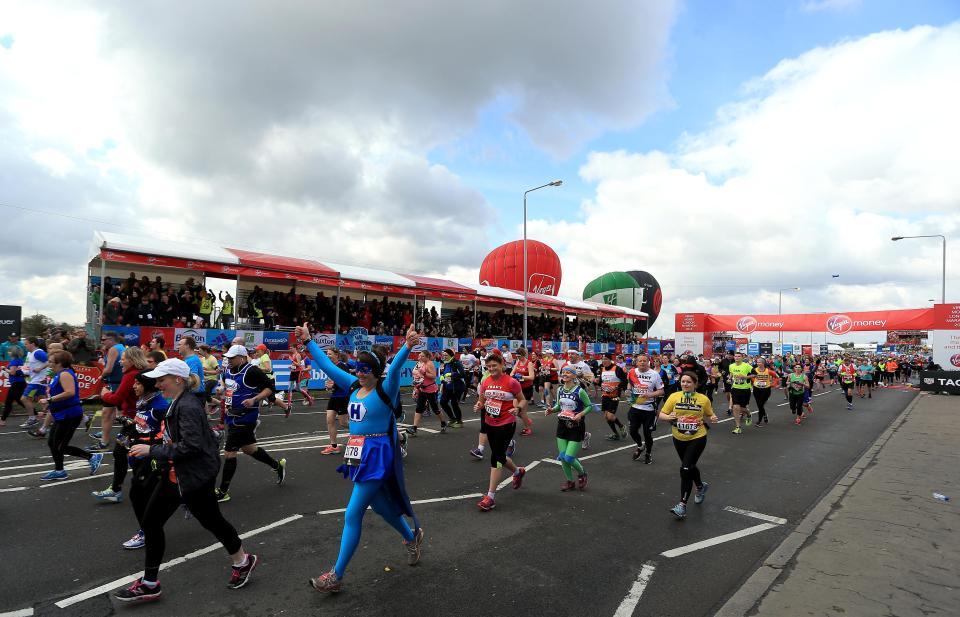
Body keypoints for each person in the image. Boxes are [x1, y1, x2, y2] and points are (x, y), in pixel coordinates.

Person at [117, 359, 257, 602]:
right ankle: (150, 583)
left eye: (162, 380)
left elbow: (190, 447)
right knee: (151, 523)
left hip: (193, 478)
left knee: (213, 522)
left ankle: (243, 561)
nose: (158, 384)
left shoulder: (188, 406)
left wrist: (151, 451)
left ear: (178, 380)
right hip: (178, 475)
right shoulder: (178, 403)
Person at [297, 323, 423, 593]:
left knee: (353, 513)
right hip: (357, 452)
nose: (361, 373)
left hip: (376, 455)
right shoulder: (353, 386)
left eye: (366, 370)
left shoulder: (384, 390)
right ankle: (411, 537)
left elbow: (397, 367)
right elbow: (329, 367)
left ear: (376, 372)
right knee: (379, 508)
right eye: (358, 368)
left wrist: (407, 347)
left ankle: (336, 576)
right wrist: (308, 342)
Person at [215, 345, 287, 503]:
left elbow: (270, 388)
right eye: (227, 357)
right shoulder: (228, 371)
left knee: (229, 453)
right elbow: (229, 390)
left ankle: (223, 491)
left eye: (232, 358)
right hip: (231, 416)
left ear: (241, 357)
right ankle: (277, 465)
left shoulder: (252, 371)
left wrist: (254, 399)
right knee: (249, 449)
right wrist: (222, 394)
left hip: (246, 418)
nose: (228, 360)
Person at [118, 372, 170, 550]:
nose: (134, 386)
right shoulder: (143, 402)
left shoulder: (161, 406)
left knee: (138, 494)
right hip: (138, 456)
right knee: (144, 495)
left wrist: (148, 445)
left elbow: (166, 435)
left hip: (153, 458)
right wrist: (127, 433)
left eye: (138, 383)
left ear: (148, 386)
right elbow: (141, 425)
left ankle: (146, 532)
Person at [91, 347, 149, 501]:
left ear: (132, 360)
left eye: (123, 358)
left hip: (135, 422)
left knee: (133, 454)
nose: (120, 361)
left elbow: (116, 399)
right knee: (123, 452)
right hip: (136, 421)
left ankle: (134, 488)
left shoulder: (131, 375)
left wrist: (105, 394)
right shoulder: (139, 372)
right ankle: (119, 488)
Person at [37, 350, 104, 481]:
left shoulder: (65, 374)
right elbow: (56, 394)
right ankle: (60, 470)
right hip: (61, 414)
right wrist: (47, 405)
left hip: (70, 415)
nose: (49, 364)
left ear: (60, 363)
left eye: (51, 361)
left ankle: (91, 457)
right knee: (52, 443)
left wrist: (49, 400)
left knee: (60, 445)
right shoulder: (59, 374)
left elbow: (70, 392)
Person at [659, 373, 718, 519]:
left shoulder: (703, 399)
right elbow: (661, 414)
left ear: (695, 384)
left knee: (685, 468)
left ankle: (682, 505)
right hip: (678, 437)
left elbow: (710, 414)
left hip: (697, 436)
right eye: (683, 381)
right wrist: (669, 417)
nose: (685, 384)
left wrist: (713, 417)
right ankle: (700, 486)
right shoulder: (674, 396)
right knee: (690, 466)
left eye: (688, 382)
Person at [473, 352, 527, 511]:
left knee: (495, 457)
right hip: (490, 422)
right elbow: (482, 401)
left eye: (494, 366)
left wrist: (517, 408)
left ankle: (490, 497)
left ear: (502, 365)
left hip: (506, 422)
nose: (491, 369)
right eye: (488, 366)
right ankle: (518, 471)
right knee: (501, 456)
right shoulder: (485, 382)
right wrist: (479, 406)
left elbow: (523, 400)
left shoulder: (511, 382)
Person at [546, 366, 594, 491]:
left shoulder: (579, 391)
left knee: (569, 457)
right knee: (562, 456)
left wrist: (580, 415)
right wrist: (552, 410)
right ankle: (569, 481)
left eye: (568, 372)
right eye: (563, 372)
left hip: (576, 427)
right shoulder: (560, 390)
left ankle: (582, 473)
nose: (565, 374)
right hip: (562, 425)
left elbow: (589, 406)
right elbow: (558, 406)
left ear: (574, 376)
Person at [626, 354, 665, 464]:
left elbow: (661, 391)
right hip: (635, 407)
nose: (642, 363)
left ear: (648, 362)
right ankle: (640, 446)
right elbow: (630, 384)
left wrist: (650, 394)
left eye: (644, 361)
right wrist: (628, 391)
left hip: (649, 409)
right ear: (636, 362)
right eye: (640, 361)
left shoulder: (654, 374)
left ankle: (648, 452)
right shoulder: (632, 372)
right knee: (633, 431)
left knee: (647, 433)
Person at [94, 331, 126, 446]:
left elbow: (109, 369)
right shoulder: (122, 347)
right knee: (116, 412)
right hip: (120, 383)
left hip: (115, 385)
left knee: (107, 413)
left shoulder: (113, 349)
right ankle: (105, 433)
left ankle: (104, 441)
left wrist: (100, 377)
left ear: (111, 340)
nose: (102, 342)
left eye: (103, 340)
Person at [321, 349, 353, 456]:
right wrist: (329, 386)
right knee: (330, 419)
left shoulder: (342, 366)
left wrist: (333, 385)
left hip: (343, 397)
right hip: (335, 396)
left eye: (329, 354)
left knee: (344, 423)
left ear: (336, 355)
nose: (327, 355)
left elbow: (346, 382)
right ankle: (334, 446)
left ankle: (363, 432)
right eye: (327, 354)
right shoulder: (331, 366)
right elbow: (333, 382)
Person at [407, 350, 445, 435]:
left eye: (422, 356)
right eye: (420, 355)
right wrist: (416, 382)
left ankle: (443, 422)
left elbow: (433, 376)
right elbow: (416, 374)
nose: (420, 357)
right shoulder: (420, 363)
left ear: (427, 357)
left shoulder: (429, 363)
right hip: (422, 389)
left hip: (431, 389)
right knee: (419, 408)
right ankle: (414, 427)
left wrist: (424, 373)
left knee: (435, 408)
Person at [598, 353, 629, 441]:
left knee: (610, 416)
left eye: (606, 359)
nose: (604, 361)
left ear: (610, 360)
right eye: (603, 359)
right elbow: (601, 381)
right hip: (605, 395)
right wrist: (597, 382)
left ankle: (621, 426)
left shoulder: (617, 369)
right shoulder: (602, 369)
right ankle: (616, 434)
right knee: (606, 416)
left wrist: (618, 388)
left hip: (614, 396)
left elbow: (624, 381)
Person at [509, 347, 536, 436]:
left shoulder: (529, 363)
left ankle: (527, 428)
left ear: (523, 355)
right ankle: (527, 420)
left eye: (519, 356)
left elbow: (532, 377)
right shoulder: (518, 362)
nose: (518, 358)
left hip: (527, 389)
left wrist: (522, 377)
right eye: (517, 356)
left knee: (522, 411)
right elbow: (511, 373)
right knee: (515, 408)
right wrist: (514, 376)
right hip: (518, 389)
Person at [727, 352, 754, 434]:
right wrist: (730, 378)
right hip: (735, 388)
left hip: (745, 389)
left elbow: (754, 374)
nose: (737, 358)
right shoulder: (731, 366)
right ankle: (738, 427)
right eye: (736, 356)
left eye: (739, 356)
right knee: (735, 407)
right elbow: (731, 373)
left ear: (742, 358)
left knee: (742, 408)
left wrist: (745, 377)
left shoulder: (747, 366)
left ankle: (749, 414)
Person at [438, 348, 465, 428]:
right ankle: (452, 419)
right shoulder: (446, 364)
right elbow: (444, 374)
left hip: (457, 387)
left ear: (451, 355)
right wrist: (442, 378)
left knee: (454, 403)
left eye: (446, 355)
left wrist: (451, 374)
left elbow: (462, 374)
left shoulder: (457, 363)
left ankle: (459, 421)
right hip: (448, 386)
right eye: (444, 355)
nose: (444, 357)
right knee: (443, 402)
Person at [1, 346, 26, 427]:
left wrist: (4, 368)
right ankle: (35, 413)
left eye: (9, 351)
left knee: (8, 402)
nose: (8, 352)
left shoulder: (14, 362)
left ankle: (3, 420)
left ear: (13, 352)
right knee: (19, 400)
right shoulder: (20, 360)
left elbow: (12, 373)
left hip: (16, 383)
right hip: (20, 383)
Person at [750, 357, 775, 426]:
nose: (758, 363)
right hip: (756, 389)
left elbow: (777, 377)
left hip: (766, 389)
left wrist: (773, 384)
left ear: (763, 363)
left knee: (761, 404)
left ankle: (760, 420)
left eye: (759, 362)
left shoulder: (768, 370)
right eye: (757, 362)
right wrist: (754, 381)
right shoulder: (754, 370)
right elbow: (751, 376)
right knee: (759, 405)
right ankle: (763, 416)